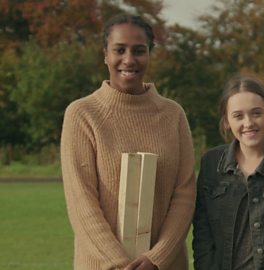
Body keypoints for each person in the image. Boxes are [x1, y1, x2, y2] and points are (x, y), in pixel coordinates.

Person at [60, 14, 195, 270]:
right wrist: (120, 264)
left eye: (139, 51)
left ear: (149, 55)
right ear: (105, 54)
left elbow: (184, 195)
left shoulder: (173, 114)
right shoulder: (82, 114)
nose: (129, 60)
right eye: (119, 50)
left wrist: (156, 259)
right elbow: (82, 203)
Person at [192, 75, 264, 270]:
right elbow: (203, 238)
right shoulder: (211, 164)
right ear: (227, 121)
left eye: (256, 113)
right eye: (238, 116)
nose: (248, 123)